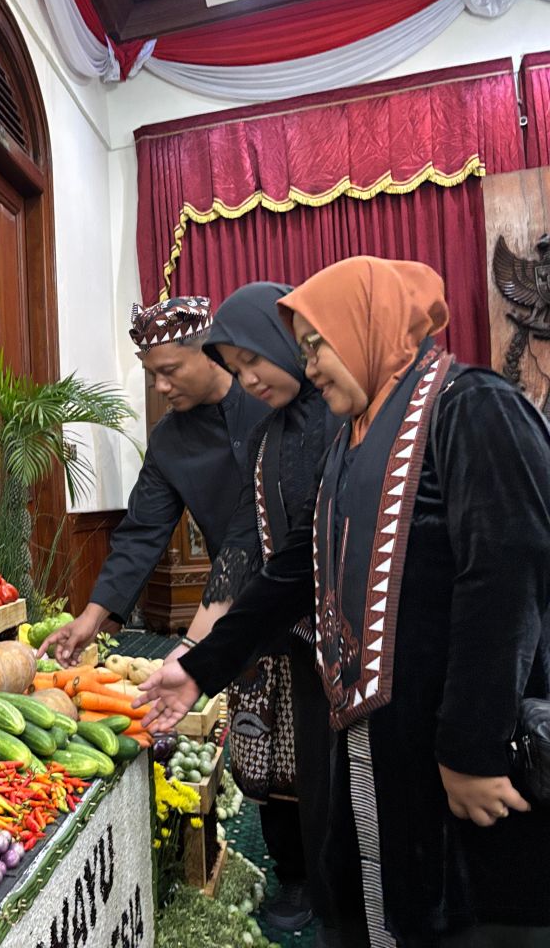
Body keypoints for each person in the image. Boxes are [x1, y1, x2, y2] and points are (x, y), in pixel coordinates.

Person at [137, 257, 550, 948]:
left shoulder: (472, 407)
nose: (311, 366)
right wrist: (202, 666)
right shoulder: (354, 441)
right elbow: (293, 571)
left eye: (316, 345)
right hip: (375, 746)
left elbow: (508, 581)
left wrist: (472, 750)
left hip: (458, 765)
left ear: (368, 325)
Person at [200, 282, 342, 933]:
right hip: (275, 634)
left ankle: (341, 874)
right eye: (234, 368)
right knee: (274, 763)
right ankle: (295, 876)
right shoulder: (265, 438)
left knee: (338, 768)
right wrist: (198, 645)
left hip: (346, 638)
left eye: (252, 358)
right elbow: (242, 542)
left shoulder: (351, 419)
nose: (247, 377)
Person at [38, 295, 269, 666]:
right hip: (231, 607)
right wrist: (93, 616)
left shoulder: (270, 397)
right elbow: (142, 532)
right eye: (152, 376)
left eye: (170, 370)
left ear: (210, 353)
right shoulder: (168, 440)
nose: (160, 386)